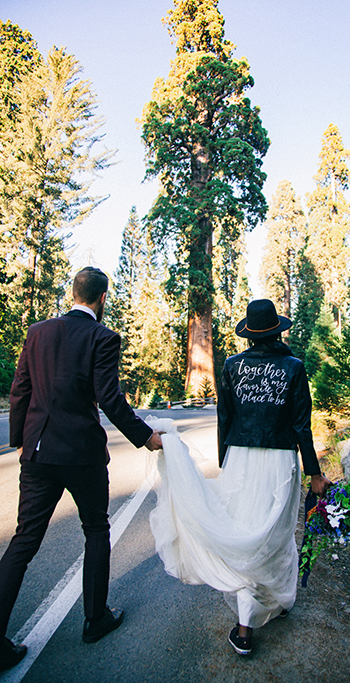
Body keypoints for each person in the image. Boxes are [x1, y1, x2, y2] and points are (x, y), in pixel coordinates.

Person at [0, 267, 163, 672]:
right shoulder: (103, 338)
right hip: (83, 456)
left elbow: (21, 388)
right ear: (102, 298)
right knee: (95, 530)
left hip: (37, 453)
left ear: (73, 294)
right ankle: (95, 619)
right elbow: (110, 397)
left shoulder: (37, 332)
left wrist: (20, 438)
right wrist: (146, 437)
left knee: (23, 542)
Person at [148, 298, 330, 656]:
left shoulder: (232, 366)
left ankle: (250, 622)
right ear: (277, 330)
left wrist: (225, 463)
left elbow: (225, 419)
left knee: (246, 533)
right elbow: (301, 426)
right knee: (273, 535)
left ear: (249, 335)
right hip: (280, 462)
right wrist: (315, 473)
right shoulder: (293, 367)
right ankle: (268, 606)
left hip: (241, 459)